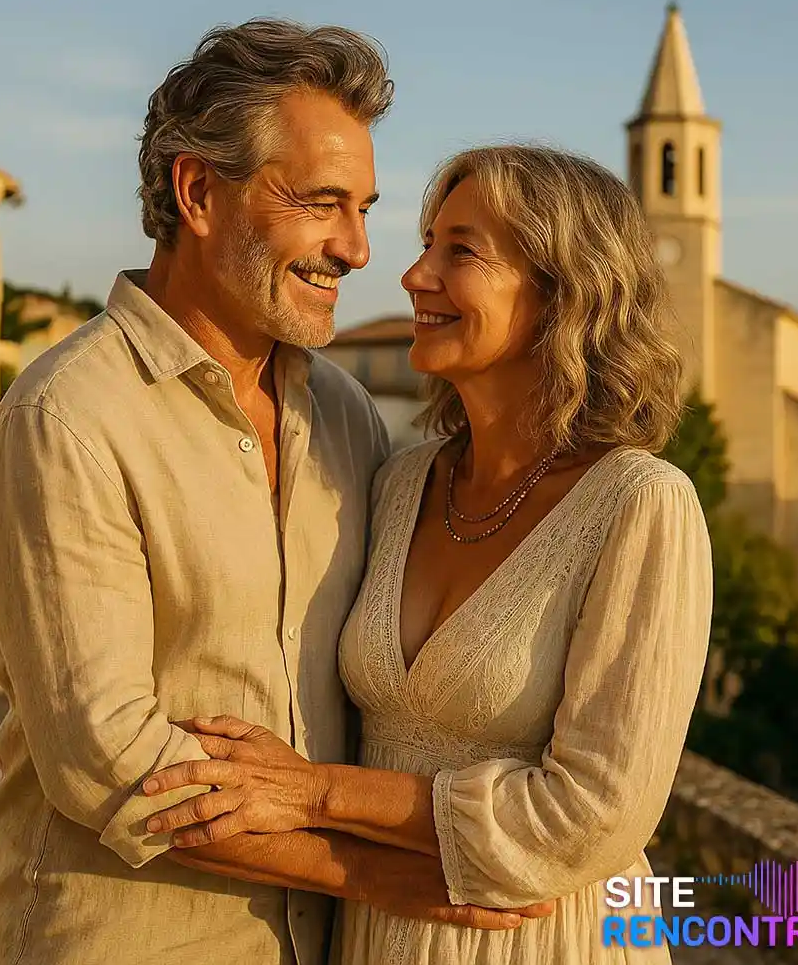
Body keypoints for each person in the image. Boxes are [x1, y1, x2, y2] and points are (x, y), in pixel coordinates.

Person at [0, 23, 544, 965]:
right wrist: (389, 880)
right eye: (320, 203)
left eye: (364, 209)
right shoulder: (67, 419)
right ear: (199, 193)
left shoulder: (347, 417)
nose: (357, 250)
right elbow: (108, 759)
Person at [141, 145, 715, 964]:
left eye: (461, 252)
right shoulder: (400, 483)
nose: (413, 276)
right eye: (425, 245)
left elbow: (593, 817)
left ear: (563, 293)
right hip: (376, 933)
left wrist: (315, 793)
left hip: (540, 939)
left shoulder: (640, 505)